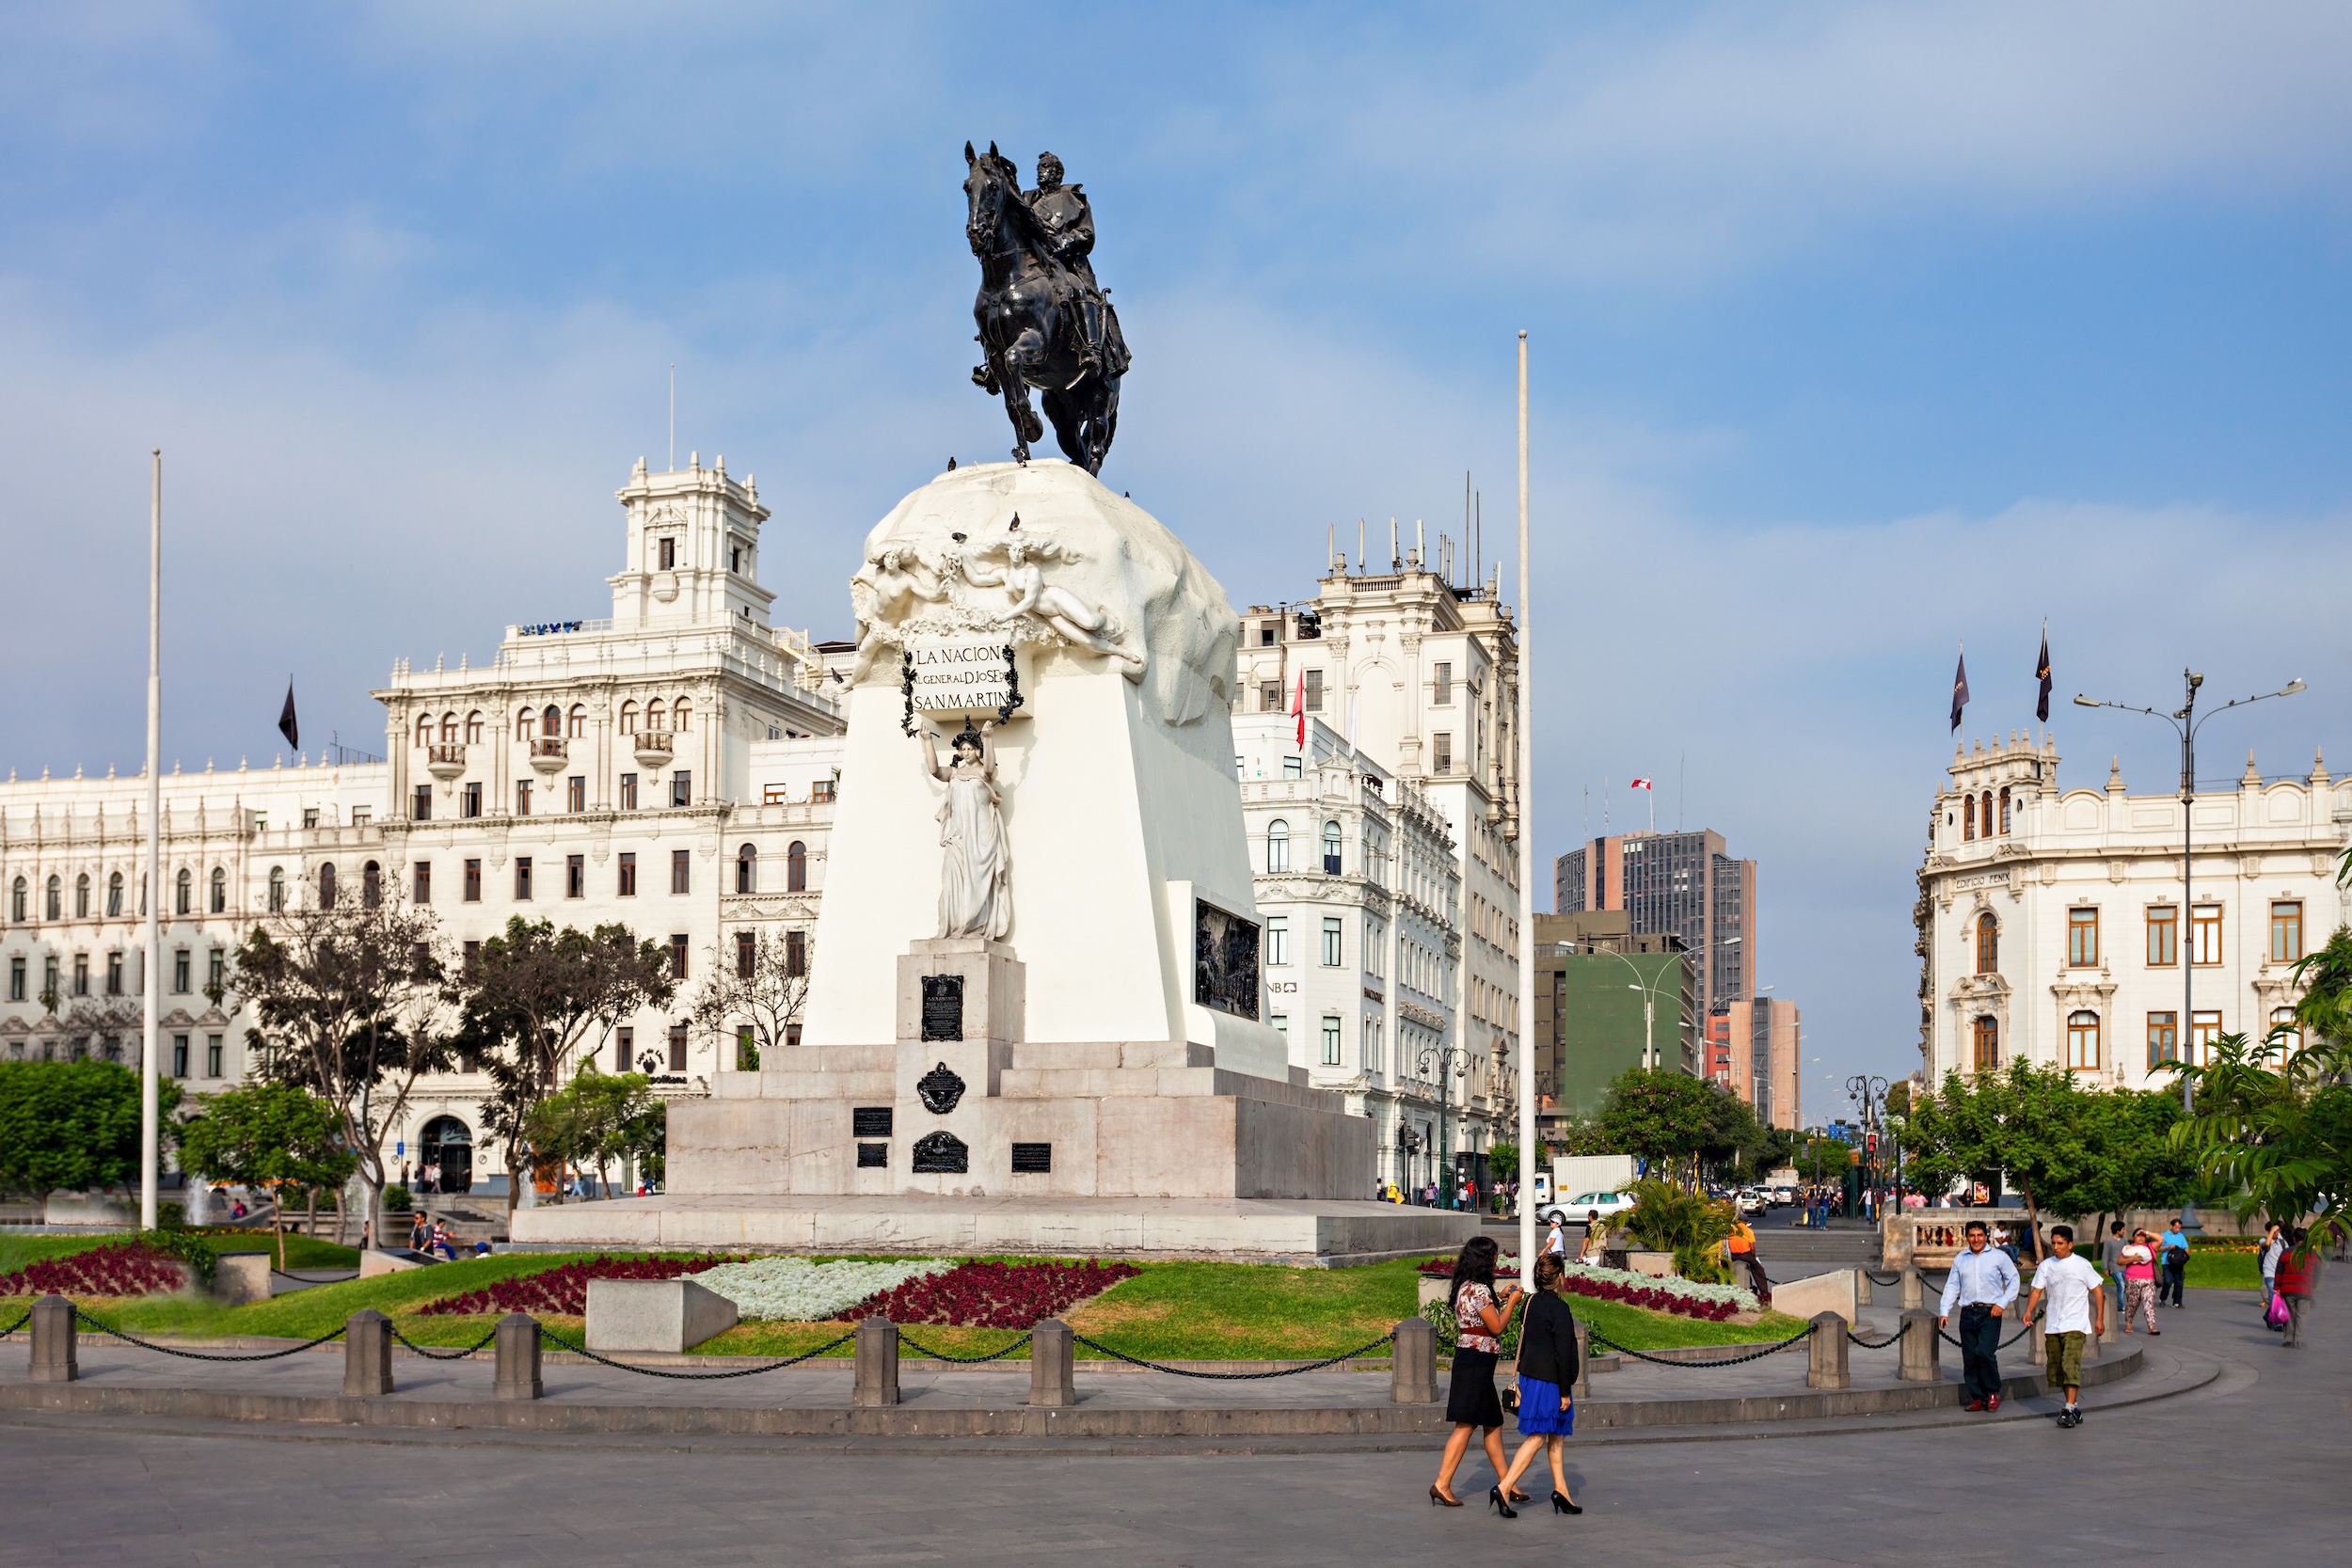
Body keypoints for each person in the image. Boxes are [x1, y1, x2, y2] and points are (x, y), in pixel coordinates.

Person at [1430, 1235, 1524, 1511]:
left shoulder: (1467, 1286)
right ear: (1485, 1259)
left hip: (1474, 1360)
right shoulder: (1480, 1290)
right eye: (1494, 1255)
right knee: (1466, 1424)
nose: (1496, 1259)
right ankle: (1442, 1483)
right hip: (1476, 1362)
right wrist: (1512, 1302)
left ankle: (1508, 1483)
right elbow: (1496, 1327)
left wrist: (1501, 1296)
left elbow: (1479, 1315)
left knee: (1492, 1422)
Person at [1496, 1254, 1582, 1517]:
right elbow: (1563, 1352)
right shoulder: (1560, 1309)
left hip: (1530, 1377)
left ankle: (1561, 1490)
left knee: (1555, 1435)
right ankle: (1504, 1487)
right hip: (1551, 1382)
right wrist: (1565, 1392)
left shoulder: (1529, 1303)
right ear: (1559, 1278)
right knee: (1537, 1437)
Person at [2026, 1225, 2106, 1428]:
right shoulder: (2046, 1265)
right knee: (2057, 1369)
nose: (2056, 1247)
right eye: (2053, 1243)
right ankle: (2074, 1407)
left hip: (2075, 1324)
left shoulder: (2081, 1264)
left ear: (2070, 1244)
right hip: (2053, 1324)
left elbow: (2098, 1292)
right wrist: (2028, 1311)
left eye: (2060, 1243)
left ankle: (2068, 1409)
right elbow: (2036, 1291)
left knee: (2070, 1364)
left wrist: (2099, 1319)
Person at [1939, 1219, 2021, 1412]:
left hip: (1990, 1312)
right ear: (1967, 1237)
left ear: (1986, 1236)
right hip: (1968, 1312)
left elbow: (2014, 1280)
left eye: (1980, 1235)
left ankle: (1993, 1391)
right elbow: (1952, 1285)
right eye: (1972, 1236)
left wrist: (2001, 1303)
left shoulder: (1999, 1257)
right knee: (1970, 1357)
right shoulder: (1961, 1258)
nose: (1976, 1239)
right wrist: (1944, 1310)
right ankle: (1978, 1396)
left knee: (1984, 1352)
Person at [2275, 1229, 2319, 1347]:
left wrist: (2276, 1287)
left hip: (2288, 1289)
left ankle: (2288, 1339)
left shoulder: (2286, 1253)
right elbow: (2317, 1273)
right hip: (2305, 1290)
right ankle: (2299, 1340)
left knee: (2289, 1314)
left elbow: (2278, 1272)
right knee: (2302, 1315)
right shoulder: (2313, 1254)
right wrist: (2313, 1285)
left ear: (2294, 1239)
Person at [2119, 1229, 2159, 1335]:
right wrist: (2133, 1258)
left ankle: (2151, 1326)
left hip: (2149, 1280)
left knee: (2148, 1303)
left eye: (2143, 1236)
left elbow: (2161, 1239)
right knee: (2132, 1303)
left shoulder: (2150, 1247)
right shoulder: (2128, 1249)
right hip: (2132, 1280)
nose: (2141, 1238)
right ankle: (2129, 1323)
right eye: (2138, 1235)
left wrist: (2147, 1232)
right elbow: (2120, 1261)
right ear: (2133, 1237)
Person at [1726, 1211, 1772, 1303]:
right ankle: (1764, 1292)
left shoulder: (1731, 1230)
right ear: (1746, 1222)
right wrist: (1753, 1256)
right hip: (1745, 1255)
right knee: (1759, 1269)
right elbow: (1752, 1247)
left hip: (1734, 1256)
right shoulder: (1748, 1231)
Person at [2259, 1221, 2286, 1328]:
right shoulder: (2263, 1240)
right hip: (2269, 1273)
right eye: (2274, 1232)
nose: (2276, 1233)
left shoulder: (2281, 1242)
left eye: (2278, 1231)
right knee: (2274, 1298)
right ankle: (2277, 1323)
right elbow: (2267, 1244)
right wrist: (2272, 1231)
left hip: (2279, 1274)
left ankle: (2268, 1316)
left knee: (2279, 1298)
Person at [2159, 1220, 2189, 1308]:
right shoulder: (2164, 1235)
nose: (2178, 1230)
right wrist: (2168, 1247)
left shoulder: (2181, 1236)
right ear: (2171, 1226)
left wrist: (2185, 1255)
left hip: (2178, 1263)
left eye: (2179, 1228)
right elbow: (2158, 1248)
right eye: (2176, 1228)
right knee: (2168, 1281)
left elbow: (2186, 1247)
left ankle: (2177, 1301)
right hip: (2167, 1262)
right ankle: (2163, 1298)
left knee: (2179, 1282)